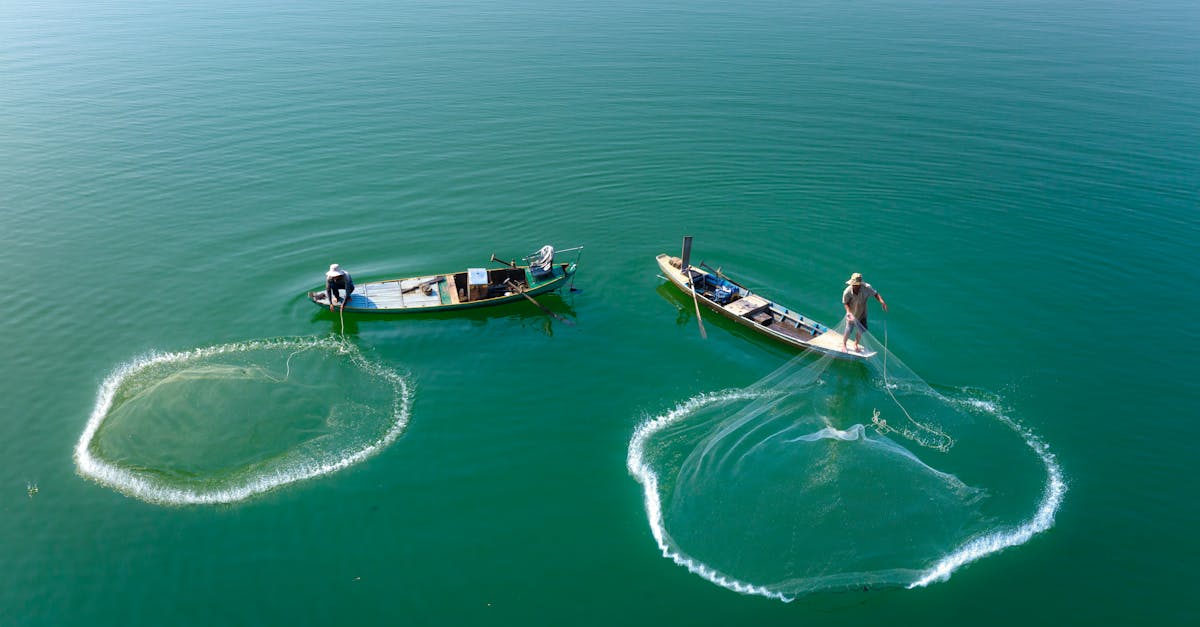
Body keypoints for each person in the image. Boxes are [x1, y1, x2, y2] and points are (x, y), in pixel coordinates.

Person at [842, 272, 887, 352]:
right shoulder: (847, 292)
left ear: (860, 284)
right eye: (853, 284)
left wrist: (882, 301)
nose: (854, 286)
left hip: (862, 314)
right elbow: (845, 303)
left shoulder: (867, 287)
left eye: (856, 284)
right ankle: (844, 344)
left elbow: (875, 294)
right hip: (852, 314)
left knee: (861, 330)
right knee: (849, 329)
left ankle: (856, 344)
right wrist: (848, 312)